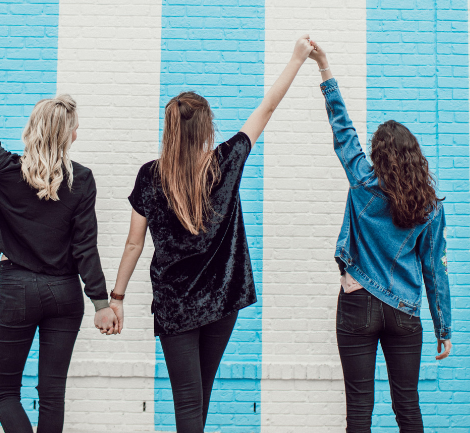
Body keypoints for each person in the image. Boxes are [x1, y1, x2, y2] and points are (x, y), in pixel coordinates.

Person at [106, 35, 315, 432]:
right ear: (206, 128)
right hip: (222, 302)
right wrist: (296, 59)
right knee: (199, 396)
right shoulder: (226, 162)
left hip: (175, 306)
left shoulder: (150, 176)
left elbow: (134, 243)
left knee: (188, 400)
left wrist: (117, 297)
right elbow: (267, 107)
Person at [0, 41, 118, 433]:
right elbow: (86, 246)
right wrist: (101, 303)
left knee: (4, 393)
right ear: (71, 136)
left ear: (31, 130)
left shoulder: (3, 168)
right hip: (66, 294)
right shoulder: (82, 180)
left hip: (19, 288)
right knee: (52, 394)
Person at [307, 40, 453, 432]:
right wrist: (444, 327)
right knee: (407, 408)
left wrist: (324, 67)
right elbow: (435, 270)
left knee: (359, 412)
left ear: (377, 154)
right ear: (414, 156)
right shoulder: (430, 207)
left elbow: (342, 127)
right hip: (405, 312)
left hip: (357, 303)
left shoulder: (362, 180)